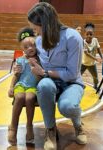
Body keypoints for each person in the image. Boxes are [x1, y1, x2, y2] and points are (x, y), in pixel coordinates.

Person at [27, 2, 87, 150]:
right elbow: (38, 63)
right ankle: (51, 130)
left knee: (67, 107)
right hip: (50, 81)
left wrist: (45, 73)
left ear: (46, 24)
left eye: (36, 28)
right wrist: (27, 64)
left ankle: (78, 123)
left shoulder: (73, 37)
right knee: (44, 85)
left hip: (71, 82)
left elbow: (72, 73)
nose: (35, 33)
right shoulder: (40, 40)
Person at [8, 27, 39, 145]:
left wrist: (36, 65)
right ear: (22, 49)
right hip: (21, 85)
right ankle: (13, 127)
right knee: (20, 97)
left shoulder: (40, 59)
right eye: (26, 47)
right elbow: (16, 76)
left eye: (32, 45)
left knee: (30, 98)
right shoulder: (20, 60)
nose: (30, 48)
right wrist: (11, 87)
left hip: (33, 86)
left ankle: (29, 126)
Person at [81, 23, 103, 89]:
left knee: (95, 76)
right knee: (78, 75)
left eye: (91, 34)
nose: (89, 36)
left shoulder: (95, 40)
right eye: (87, 34)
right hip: (84, 63)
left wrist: (102, 58)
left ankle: (96, 86)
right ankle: (78, 84)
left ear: (93, 34)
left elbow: (99, 49)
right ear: (84, 34)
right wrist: (97, 59)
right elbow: (86, 53)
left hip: (92, 64)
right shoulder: (83, 42)